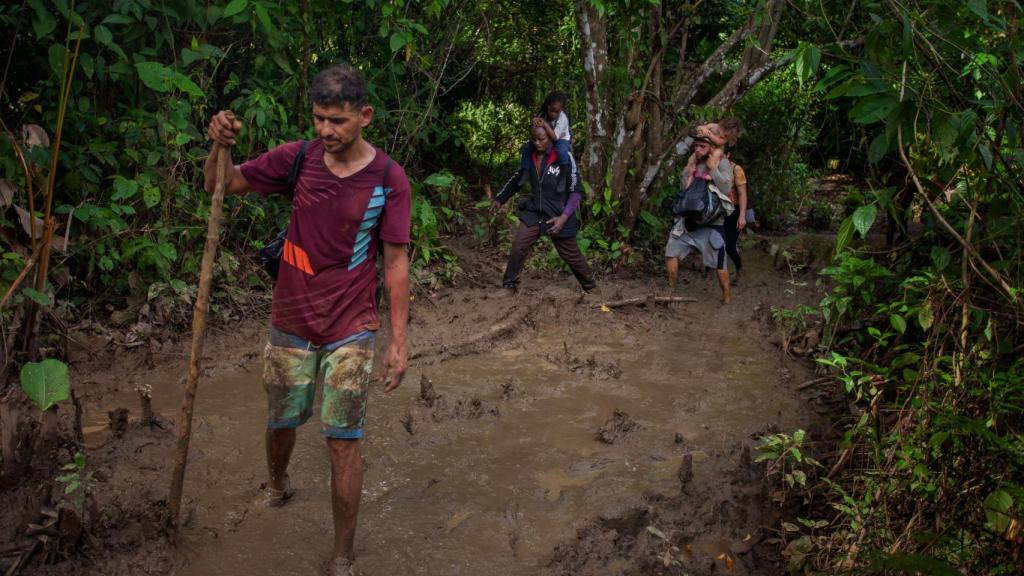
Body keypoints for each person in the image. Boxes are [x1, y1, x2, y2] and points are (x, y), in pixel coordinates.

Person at [204, 64, 410, 576]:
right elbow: (219, 185)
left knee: (344, 442)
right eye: (318, 119)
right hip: (291, 319)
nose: (325, 131)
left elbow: (395, 261)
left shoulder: (388, 178)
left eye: (337, 121)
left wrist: (398, 341)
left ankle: (342, 556)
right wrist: (218, 144)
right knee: (281, 421)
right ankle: (277, 484)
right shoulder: (297, 158)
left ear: (364, 116)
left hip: (352, 326)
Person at [493, 123, 596, 293]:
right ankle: (509, 285)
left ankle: (590, 287)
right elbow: (518, 178)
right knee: (519, 246)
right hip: (535, 210)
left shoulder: (564, 156)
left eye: (541, 139)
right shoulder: (529, 156)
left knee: (571, 255)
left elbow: (576, 192)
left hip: (558, 214)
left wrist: (563, 218)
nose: (537, 143)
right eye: (533, 139)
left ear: (550, 136)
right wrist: (500, 199)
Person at [665, 136, 735, 303]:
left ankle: (727, 297)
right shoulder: (694, 162)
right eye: (695, 146)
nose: (697, 149)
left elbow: (726, 188)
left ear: (711, 147)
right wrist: (689, 168)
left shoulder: (722, 162)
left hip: (712, 224)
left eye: (702, 146)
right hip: (689, 222)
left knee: (719, 263)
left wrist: (713, 169)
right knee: (671, 252)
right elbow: (683, 189)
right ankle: (671, 292)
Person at [520, 91, 572, 175]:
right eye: (551, 110)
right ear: (548, 106)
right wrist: (535, 121)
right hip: (546, 138)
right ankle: (524, 170)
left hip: (561, 138)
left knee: (561, 152)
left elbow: (555, 137)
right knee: (527, 148)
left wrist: (544, 124)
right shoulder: (543, 113)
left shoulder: (563, 119)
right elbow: (536, 126)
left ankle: (564, 174)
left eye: (557, 112)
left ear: (561, 109)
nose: (553, 114)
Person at [723, 150, 748, 276]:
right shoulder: (712, 168)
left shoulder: (736, 169)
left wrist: (742, 216)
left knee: (729, 246)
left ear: (728, 154)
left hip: (734, 211)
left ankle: (739, 267)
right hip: (719, 211)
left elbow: (742, 194)